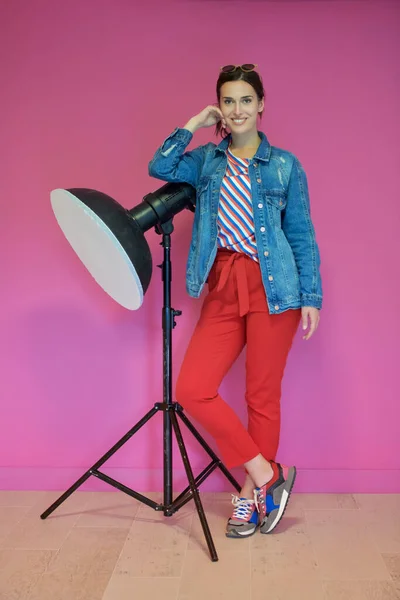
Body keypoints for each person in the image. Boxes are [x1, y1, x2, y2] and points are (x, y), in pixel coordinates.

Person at [148, 64, 322, 538]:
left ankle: (248, 499)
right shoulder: (206, 160)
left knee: (260, 396)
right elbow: (160, 167)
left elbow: (301, 234)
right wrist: (194, 122)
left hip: (275, 286)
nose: (237, 109)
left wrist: (311, 296)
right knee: (193, 388)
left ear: (261, 105)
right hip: (224, 282)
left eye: (246, 100)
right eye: (228, 101)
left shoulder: (285, 166)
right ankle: (269, 477)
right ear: (219, 107)